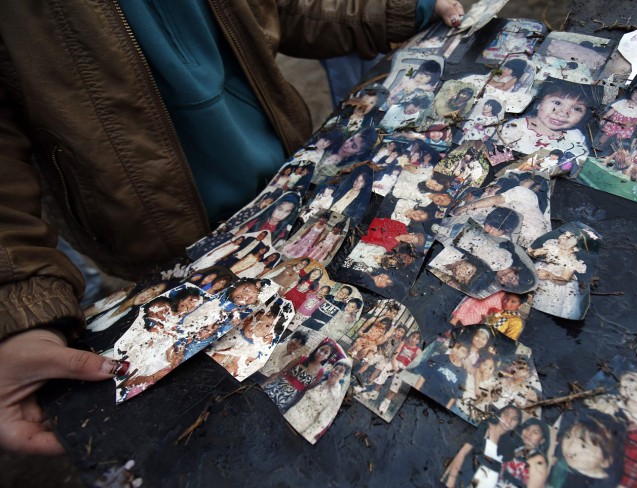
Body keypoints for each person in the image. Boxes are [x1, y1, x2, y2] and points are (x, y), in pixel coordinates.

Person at [0, 0, 468, 454]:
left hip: (289, 177)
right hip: (156, 241)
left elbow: (280, 8)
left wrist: (398, 10)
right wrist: (18, 304)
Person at [499, 80, 596, 158]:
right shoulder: (514, 128)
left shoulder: (576, 137)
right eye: (557, 103)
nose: (563, 113)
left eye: (576, 109)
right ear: (538, 103)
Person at [282, 358, 352, 443]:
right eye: (336, 368)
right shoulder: (321, 382)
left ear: (343, 376)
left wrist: (304, 437)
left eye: (341, 371)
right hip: (288, 417)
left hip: (298, 430)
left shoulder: (336, 397)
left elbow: (321, 423)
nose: (336, 372)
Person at [262, 341, 335, 412]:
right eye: (321, 349)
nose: (321, 353)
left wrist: (288, 407)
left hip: (286, 398)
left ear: (327, 357)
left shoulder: (320, 373)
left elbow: (304, 392)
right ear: (317, 349)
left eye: (326, 353)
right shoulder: (302, 358)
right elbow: (281, 371)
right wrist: (264, 384)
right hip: (275, 386)